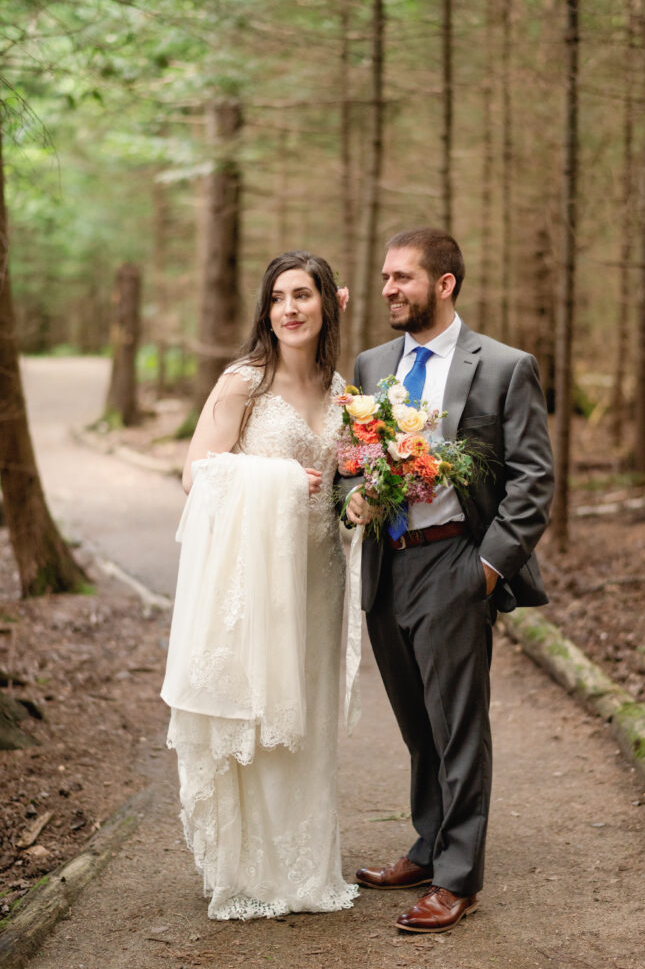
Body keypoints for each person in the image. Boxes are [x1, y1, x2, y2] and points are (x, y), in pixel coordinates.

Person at [345, 227, 554, 934]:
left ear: (444, 283)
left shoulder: (501, 365)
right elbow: (356, 455)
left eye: (401, 277)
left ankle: (458, 878)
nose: (387, 290)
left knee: (458, 726)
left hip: (455, 560)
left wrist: (489, 567)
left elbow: (532, 478)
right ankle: (427, 846)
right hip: (385, 559)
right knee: (416, 724)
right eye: (383, 278)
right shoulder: (373, 363)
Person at [161, 251, 358, 921]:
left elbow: (349, 482)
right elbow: (196, 472)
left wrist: (358, 502)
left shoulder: (342, 391)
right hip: (254, 579)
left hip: (317, 578)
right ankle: (248, 872)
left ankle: (304, 869)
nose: (289, 310)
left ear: (328, 303)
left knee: (305, 716)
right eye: (278, 298)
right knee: (256, 710)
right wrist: (275, 480)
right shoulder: (244, 382)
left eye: (303, 295)